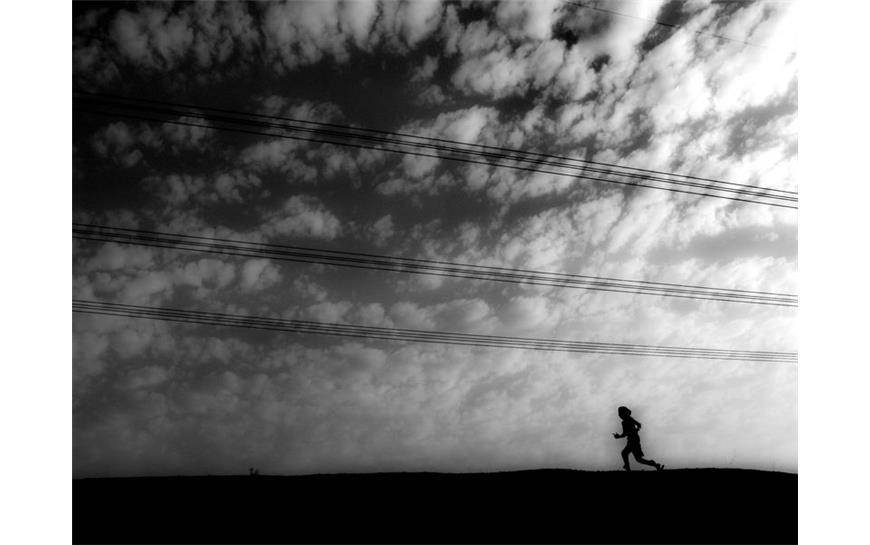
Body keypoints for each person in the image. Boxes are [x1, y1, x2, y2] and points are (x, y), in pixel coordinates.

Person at [613, 406, 663, 471]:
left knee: (625, 454)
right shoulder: (625, 422)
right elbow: (627, 432)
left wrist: (620, 436)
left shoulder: (629, 420)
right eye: (620, 414)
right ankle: (654, 464)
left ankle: (627, 467)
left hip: (634, 440)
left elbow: (637, 425)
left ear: (625, 413)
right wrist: (619, 436)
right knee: (638, 459)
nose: (620, 415)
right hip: (632, 440)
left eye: (621, 413)